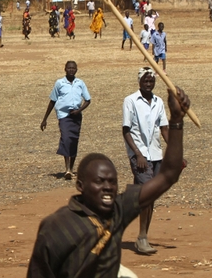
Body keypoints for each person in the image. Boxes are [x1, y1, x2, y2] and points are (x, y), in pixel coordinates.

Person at [28, 86, 191, 277]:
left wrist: (177, 120)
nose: (108, 187)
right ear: (80, 186)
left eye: (113, 182)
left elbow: (168, 175)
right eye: (100, 181)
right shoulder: (57, 227)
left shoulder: (117, 211)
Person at [120, 67, 169, 254]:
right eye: (145, 81)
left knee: (151, 198)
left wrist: (174, 151)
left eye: (151, 81)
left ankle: (143, 235)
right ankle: (141, 238)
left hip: (156, 154)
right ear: (139, 82)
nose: (149, 84)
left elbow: (164, 129)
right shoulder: (130, 101)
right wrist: (138, 154)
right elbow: (126, 130)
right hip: (139, 156)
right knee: (146, 197)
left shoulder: (158, 102)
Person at [40, 61, 91, 180]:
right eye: (69, 68)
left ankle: (71, 169)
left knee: (74, 140)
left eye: (73, 68)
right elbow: (52, 101)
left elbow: (88, 100)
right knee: (66, 138)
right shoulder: (59, 83)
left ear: (76, 70)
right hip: (64, 115)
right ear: (65, 69)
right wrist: (45, 119)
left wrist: (79, 111)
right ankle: (67, 169)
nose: (71, 70)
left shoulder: (80, 83)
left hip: (76, 116)